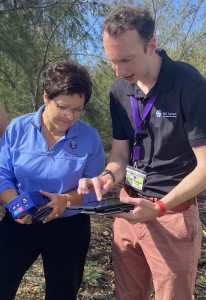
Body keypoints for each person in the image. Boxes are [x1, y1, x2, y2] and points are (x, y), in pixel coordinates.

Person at [78, 5, 206, 300]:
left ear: (151, 45)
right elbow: (121, 155)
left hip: (172, 213)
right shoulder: (119, 91)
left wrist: (160, 207)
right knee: (128, 294)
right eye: (112, 62)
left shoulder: (190, 85)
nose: (120, 71)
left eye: (126, 59)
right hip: (128, 208)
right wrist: (108, 176)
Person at [0, 60, 105, 300]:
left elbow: (93, 187)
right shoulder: (17, 129)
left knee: (62, 293)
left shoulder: (89, 138)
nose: (71, 116)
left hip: (68, 227)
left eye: (79, 109)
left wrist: (65, 200)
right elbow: (2, 174)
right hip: (19, 221)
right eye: (64, 107)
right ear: (47, 97)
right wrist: (16, 206)